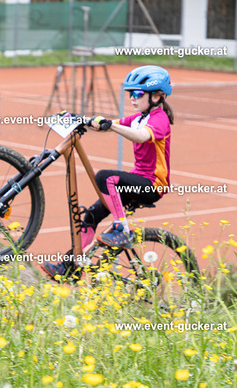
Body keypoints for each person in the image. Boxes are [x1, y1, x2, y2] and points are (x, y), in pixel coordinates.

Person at [42, 65, 174, 279]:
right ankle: (70, 268)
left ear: (157, 96)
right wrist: (79, 119)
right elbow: (106, 124)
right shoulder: (139, 118)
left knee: (105, 177)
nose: (132, 98)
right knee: (91, 216)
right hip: (137, 181)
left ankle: (122, 230)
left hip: (153, 185)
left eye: (138, 94)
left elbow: (141, 136)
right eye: (130, 94)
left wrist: (110, 126)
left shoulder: (159, 119)